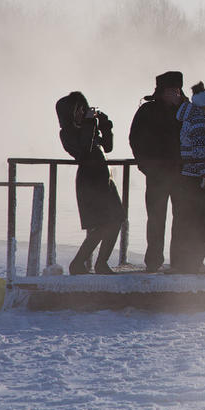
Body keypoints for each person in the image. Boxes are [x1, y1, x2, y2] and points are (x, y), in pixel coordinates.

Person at [55, 92, 124, 275]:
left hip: (104, 180)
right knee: (101, 224)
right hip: (90, 182)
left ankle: (101, 263)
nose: (81, 112)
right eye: (77, 109)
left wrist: (105, 124)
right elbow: (84, 150)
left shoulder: (88, 128)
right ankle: (78, 263)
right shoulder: (67, 134)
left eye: (82, 108)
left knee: (117, 220)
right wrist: (89, 123)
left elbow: (108, 146)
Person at [129, 71, 184, 272]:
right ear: (161, 91)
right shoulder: (147, 111)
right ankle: (153, 261)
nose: (175, 94)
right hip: (157, 175)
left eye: (177, 90)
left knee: (181, 218)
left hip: (181, 174)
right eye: (171, 90)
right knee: (155, 219)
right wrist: (146, 166)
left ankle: (179, 260)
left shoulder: (185, 111)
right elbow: (135, 139)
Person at [171, 82, 205, 273]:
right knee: (194, 221)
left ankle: (179, 263)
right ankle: (190, 263)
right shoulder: (198, 123)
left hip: (185, 177)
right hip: (194, 179)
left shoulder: (188, 120)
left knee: (182, 221)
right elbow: (200, 152)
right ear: (203, 106)